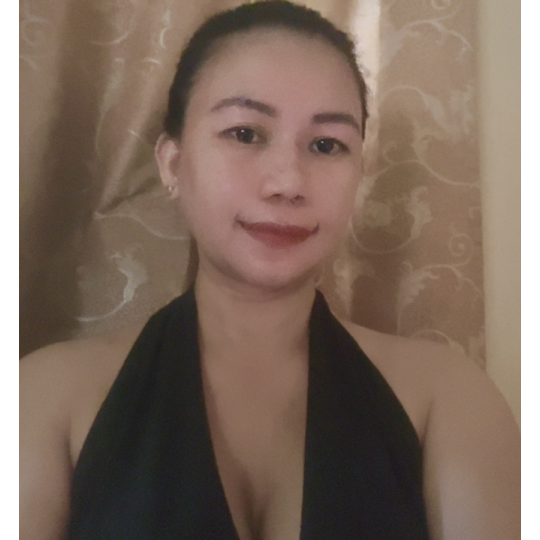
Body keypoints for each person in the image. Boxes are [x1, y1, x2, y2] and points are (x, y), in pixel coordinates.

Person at [20, 1, 520, 539]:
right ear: (172, 163)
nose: (288, 182)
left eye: (326, 145)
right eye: (245, 133)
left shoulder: (447, 399)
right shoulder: (46, 399)